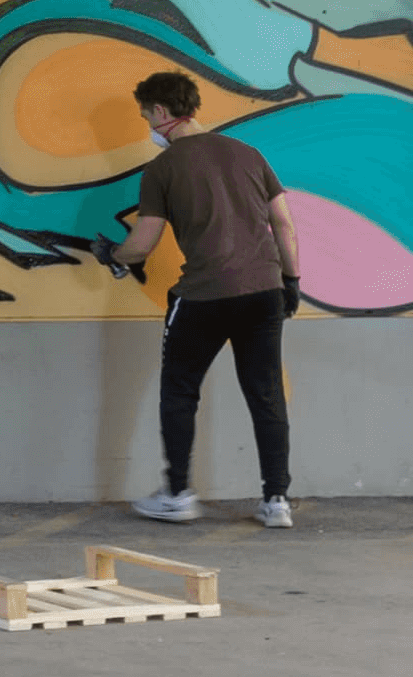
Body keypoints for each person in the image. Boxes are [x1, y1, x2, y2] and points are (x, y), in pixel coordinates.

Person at [93, 69, 302, 530]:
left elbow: (142, 244)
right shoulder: (248, 154)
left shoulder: (163, 168)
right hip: (264, 291)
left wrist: (112, 254)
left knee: (180, 391)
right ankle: (276, 501)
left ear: (161, 111)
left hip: (205, 296)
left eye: (146, 116)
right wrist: (291, 280)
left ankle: (178, 495)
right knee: (266, 394)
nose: (148, 125)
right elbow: (284, 225)